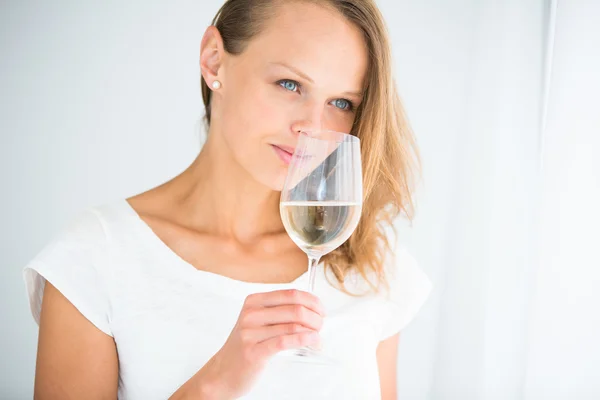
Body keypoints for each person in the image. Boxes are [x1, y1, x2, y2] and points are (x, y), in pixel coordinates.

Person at [23, 0, 432, 398]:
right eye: (290, 84)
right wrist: (217, 382)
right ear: (214, 61)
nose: (312, 127)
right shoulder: (95, 259)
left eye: (341, 103)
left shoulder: (371, 265)